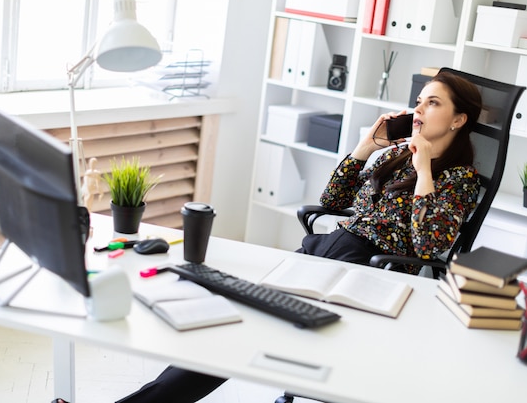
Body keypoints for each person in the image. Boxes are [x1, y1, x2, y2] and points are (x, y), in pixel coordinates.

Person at [53, 70, 482, 403]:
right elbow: (330, 201)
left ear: (458, 120)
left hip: (368, 272)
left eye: (434, 103)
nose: (420, 109)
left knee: (240, 334)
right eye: (419, 100)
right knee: (229, 327)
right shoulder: (394, 155)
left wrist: (426, 168)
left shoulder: (459, 179)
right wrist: (365, 148)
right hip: (324, 251)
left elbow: (429, 247)